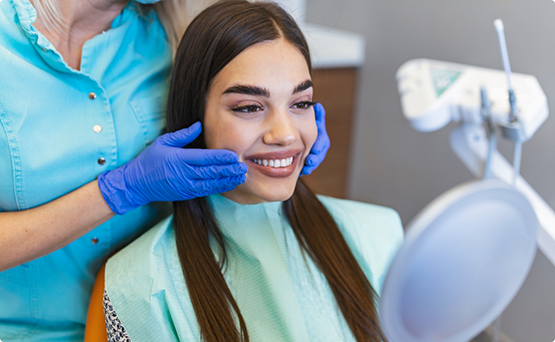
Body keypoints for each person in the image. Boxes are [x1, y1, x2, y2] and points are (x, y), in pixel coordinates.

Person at [0, 0, 329, 340]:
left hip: (154, 319)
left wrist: (287, 134)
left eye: (302, 103)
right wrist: (121, 190)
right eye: (248, 106)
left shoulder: (167, 32)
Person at [88, 1, 403, 341]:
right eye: (250, 107)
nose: (284, 133)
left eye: (300, 103)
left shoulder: (380, 238)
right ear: (195, 118)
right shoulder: (138, 286)